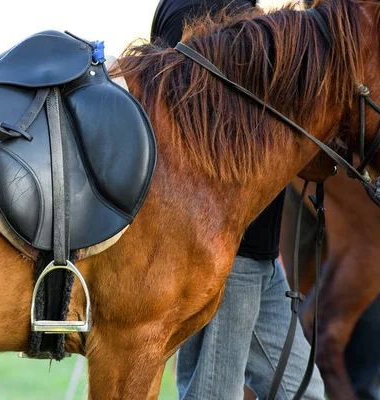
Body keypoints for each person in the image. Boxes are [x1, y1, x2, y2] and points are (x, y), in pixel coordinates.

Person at [150, 1, 325, 398]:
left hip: (261, 258)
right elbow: (196, 128)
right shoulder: (196, 8)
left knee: (304, 392)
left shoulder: (246, 10)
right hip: (223, 255)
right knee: (214, 394)